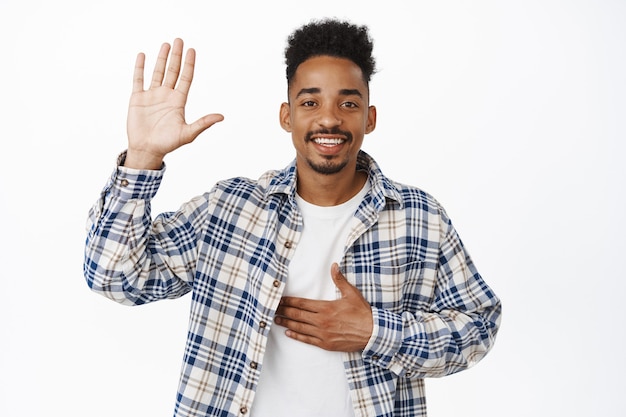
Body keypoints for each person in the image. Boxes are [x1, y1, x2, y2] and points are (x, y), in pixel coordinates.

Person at [84, 18, 501, 417]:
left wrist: (375, 331)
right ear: (287, 116)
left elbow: (478, 328)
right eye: (310, 101)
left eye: (348, 103)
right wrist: (143, 157)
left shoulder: (418, 218)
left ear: (369, 118)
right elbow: (116, 276)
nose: (329, 118)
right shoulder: (231, 209)